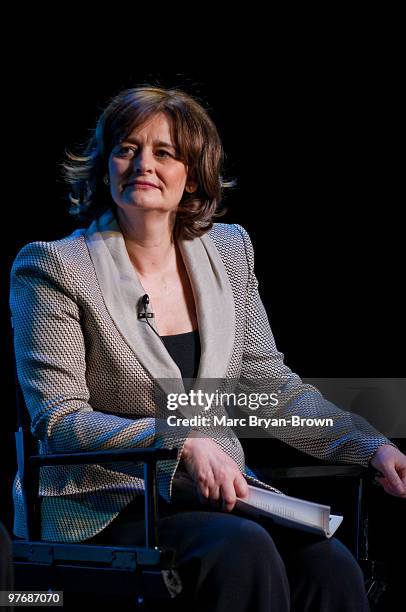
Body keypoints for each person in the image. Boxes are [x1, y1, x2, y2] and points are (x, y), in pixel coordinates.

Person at [10, 86, 406, 611]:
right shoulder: (54, 267)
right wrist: (181, 438)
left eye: (164, 153)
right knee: (240, 550)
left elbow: (272, 390)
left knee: (329, 564)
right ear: (105, 166)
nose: (142, 163)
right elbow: (58, 421)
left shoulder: (228, 251)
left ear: (191, 175)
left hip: (216, 495)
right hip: (104, 503)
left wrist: (370, 444)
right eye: (126, 149)